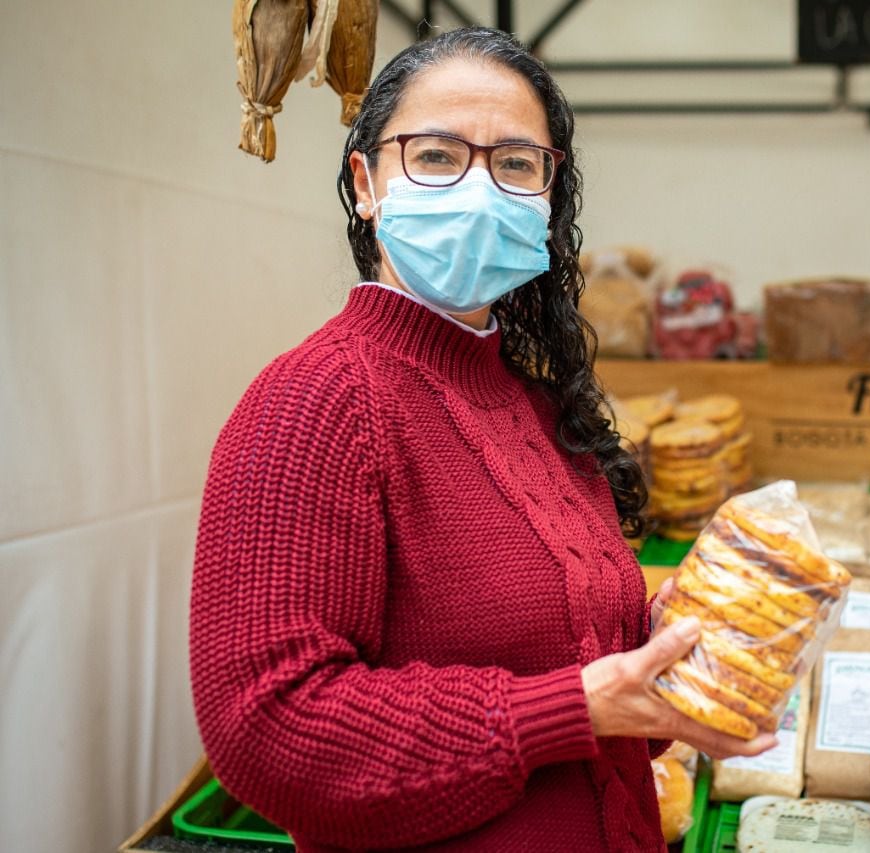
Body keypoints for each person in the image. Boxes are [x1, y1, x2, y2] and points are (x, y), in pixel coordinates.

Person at [188, 27, 773, 853]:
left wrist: (675, 651)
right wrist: (569, 707)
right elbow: (267, 730)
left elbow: (592, 681)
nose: (479, 187)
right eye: (434, 156)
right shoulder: (313, 403)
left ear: (548, 192)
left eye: (515, 163)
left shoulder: (532, 400)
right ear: (365, 183)